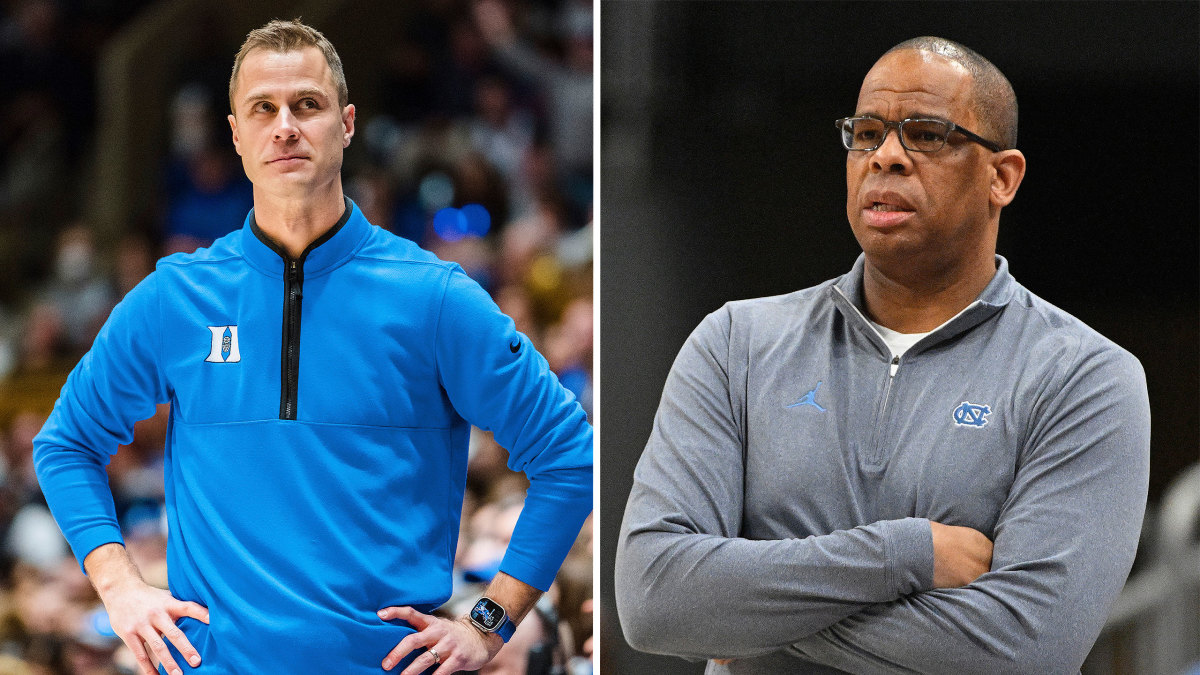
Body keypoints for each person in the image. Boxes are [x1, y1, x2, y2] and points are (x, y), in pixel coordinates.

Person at [33, 19, 592, 675]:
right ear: (236, 133)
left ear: (347, 123)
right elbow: (65, 443)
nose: (285, 126)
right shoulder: (174, 297)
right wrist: (120, 585)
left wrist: (490, 621)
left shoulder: (433, 296)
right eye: (262, 109)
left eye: (307, 104)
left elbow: (569, 453)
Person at [615, 36, 1149, 674]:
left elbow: (1021, 653)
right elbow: (653, 600)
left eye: (925, 134)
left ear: (1002, 178)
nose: (886, 157)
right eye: (866, 133)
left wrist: (744, 606)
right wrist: (906, 553)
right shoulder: (736, 344)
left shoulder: (1085, 377)